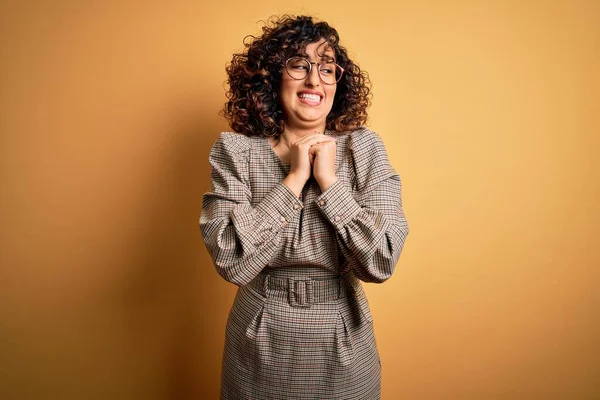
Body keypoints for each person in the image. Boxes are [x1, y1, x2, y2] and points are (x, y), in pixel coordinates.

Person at [200, 15, 409, 399]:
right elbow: (231, 261)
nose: (315, 80)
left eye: (327, 69)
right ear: (272, 77)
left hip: (343, 337)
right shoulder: (235, 151)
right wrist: (294, 178)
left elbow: (381, 261)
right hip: (258, 340)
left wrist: (329, 183)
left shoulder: (365, 149)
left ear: (338, 83)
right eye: (300, 65)